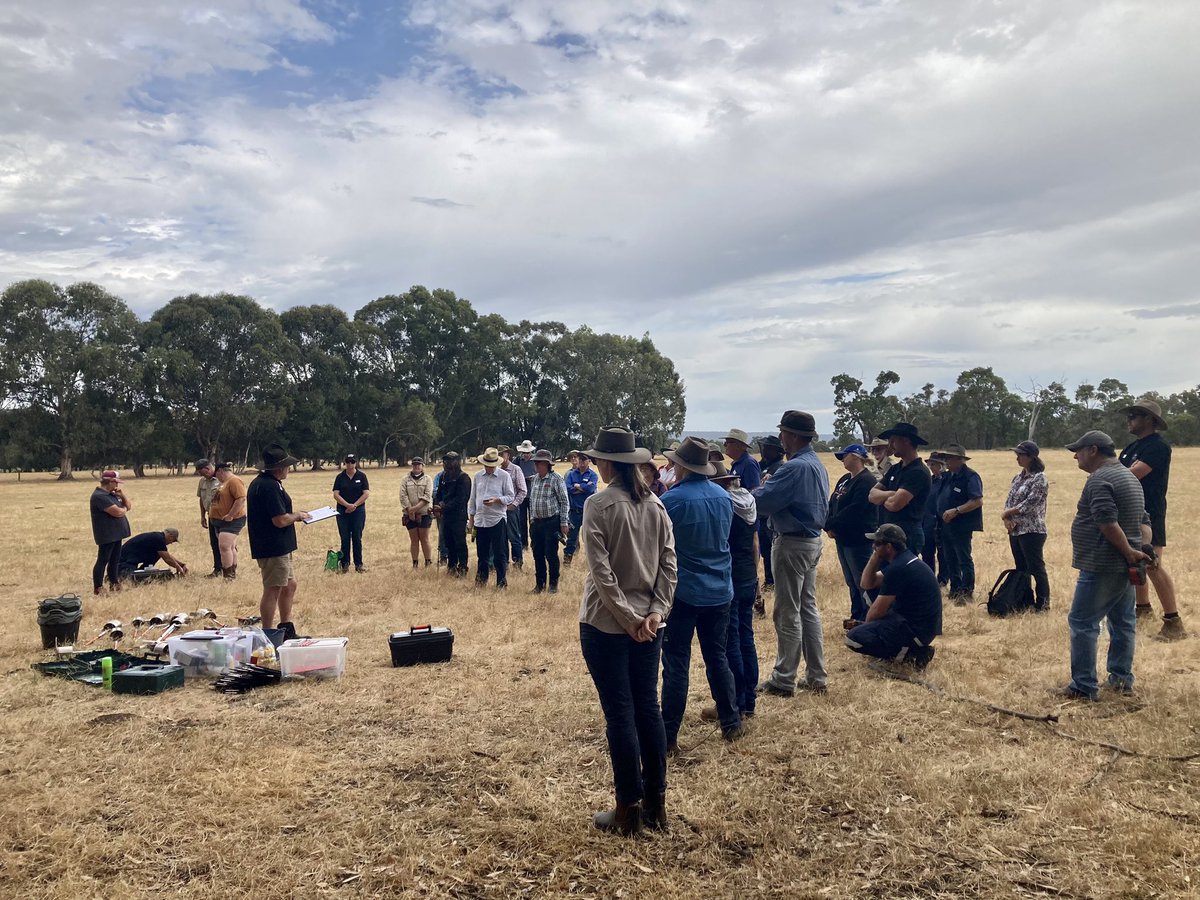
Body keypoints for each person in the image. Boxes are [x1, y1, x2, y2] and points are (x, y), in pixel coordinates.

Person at [578, 426, 677, 836]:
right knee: (648, 710)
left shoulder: (598, 505)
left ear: (607, 464)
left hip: (606, 624)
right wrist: (653, 614)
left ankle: (628, 809)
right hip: (648, 626)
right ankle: (656, 804)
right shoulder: (656, 505)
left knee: (620, 714)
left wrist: (629, 619)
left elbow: (601, 574)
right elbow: (670, 567)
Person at [660, 437, 741, 747]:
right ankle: (731, 721)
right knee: (717, 657)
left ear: (680, 466)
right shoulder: (723, 496)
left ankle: (667, 735)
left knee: (677, 661)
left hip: (684, 591)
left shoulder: (672, 500)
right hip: (721, 588)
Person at [1060, 430, 1151, 700]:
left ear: (1093, 450)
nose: (1075, 455)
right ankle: (1121, 679)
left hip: (1102, 563)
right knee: (1123, 622)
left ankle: (1083, 686)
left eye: (1078, 450)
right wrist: (1140, 549)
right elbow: (1144, 520)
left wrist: (1128, 550)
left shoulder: (1100, 479)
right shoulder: (1129, 477)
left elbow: (1107, 522)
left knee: (1082, 622)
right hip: (1125, 563)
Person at [752, 410, 830, 696]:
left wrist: (758, 489)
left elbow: (763, 502)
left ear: (793, 436)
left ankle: (784, 678)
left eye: (783, 432)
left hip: (792, 542)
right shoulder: (815, 464)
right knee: (808, 608)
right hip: (811, 541)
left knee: (787, 612)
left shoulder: (793, 468)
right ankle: (816, 675)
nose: (781, 437)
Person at [1120, 398, 1187, 641]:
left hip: (1151, 512)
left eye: (1135, 415)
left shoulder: (1157, 447)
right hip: (1129, 512)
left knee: (1152, 564)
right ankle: (1142, 609)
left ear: (1150, 420)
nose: (1129, 420)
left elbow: (1129, 476)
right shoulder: (1130, 448)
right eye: (1129, 416)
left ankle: (1173, 621)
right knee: (1134, 564)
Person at [700, 462, 759, 723]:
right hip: (748, 574)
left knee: (730, 643)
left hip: (731, 577)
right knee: (747, 637)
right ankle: (749, 702)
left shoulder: (725, 506)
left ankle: (735, 700)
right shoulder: (748, 502)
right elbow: (756, 541)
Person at [846, 524, 941, 669]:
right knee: (870, 593)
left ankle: (909, 655)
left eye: (877, 544)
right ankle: (908, 649)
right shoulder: (904, 561)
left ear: (889, 547)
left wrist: (868, 628)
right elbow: (866, 584)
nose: (873, 546)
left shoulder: (899, 569)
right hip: (918, 625)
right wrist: (874, 557)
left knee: (853, 638)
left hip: (917, 632)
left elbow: (877, 612)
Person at [247, 444, 309, 635]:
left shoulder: (269, 483)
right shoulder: (268, 487)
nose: (289, 469)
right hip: (272, 546)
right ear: (279, 468)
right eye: (287, 466)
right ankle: (268, 633)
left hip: (280, 546)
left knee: (289, 584)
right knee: (273, 588)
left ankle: (286, 627)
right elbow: (280, 520)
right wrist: (297, 515)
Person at [825, 443, 878, 624]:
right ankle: (856, 615)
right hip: (842, 538)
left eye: (844, 456)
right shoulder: (845, 479)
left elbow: (855, 510)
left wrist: (832, 524)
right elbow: (832, 503)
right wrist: (828, 525)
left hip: (858, 539)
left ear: (856, 456)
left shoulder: (866, 481)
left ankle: (869, 617)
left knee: (863, 581)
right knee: (851, 581)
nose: (842, 460)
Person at [868, 422, 932, 556]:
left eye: (893, 441)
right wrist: (892, 493)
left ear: (906, 441)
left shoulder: (918, 472)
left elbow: (895, 505)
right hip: (887, 535)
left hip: (907, 536)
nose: (890, 446)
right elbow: (872, 495)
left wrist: (884, 497)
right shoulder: (895, 468)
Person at [1001, 441, 1050, 611]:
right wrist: (1006, 519)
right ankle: (1024, 600)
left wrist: (1008, 514)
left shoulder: (1040, 478)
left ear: (1031, 457)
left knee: (1036, 567)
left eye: (1021, 455)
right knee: (1021, 568)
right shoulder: (1017, 477)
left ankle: (1043, 603)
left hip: (1032, 530)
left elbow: (1031, 503)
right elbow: (1009, 500)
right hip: (1015, 530)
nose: (1017, 458)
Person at [937, 444, 984, 604]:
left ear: (960, 460)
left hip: (962, 525)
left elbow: (977, 501)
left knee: (963, 558)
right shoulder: (948, 476)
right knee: (949, 558)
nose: (946, 461)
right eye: (946, 458)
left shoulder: (971, 476)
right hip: (945, 525)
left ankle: (967, 591)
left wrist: (956, 510)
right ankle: (955, 589)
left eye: (949, 458)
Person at [468, 447, 515, 588]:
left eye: (491, 465)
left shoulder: (504, 476)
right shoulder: (477, 476)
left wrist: (496, 500)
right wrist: (471, 519)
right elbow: (473, 498)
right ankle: (481, 581)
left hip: (497, 519)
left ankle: (501, 582)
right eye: (486, 464)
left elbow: (510, 496)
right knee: (482, 554)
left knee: (499, 553)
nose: (488, 467)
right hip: (480, 520)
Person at [527, 449, 570, 593]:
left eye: (538, 463)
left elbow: (564, 501)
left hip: (552, 522)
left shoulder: (556, 479)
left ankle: (553, 585)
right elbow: (532, 501)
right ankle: (539, 584)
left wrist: (563, 522)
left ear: (546, 464)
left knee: (551, 554)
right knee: (537, 554)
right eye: (535, 463)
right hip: (536, 523)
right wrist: (532, 520)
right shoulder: (535, 479)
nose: (536, 465)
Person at [755, 435, 786, 606]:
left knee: (773, 548)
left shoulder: (779, 467)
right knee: (766, 550)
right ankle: (769, 579)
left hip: (771, 516)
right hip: (761, 515)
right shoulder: (763, 465)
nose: (765, 450)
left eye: (768, 448)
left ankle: (775, 579)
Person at [90, 470, 131, 595]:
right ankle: (98, 587)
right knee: (103, 560)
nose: (117, 486)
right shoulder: (99, 496)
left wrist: (122, 496)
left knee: (115, 560)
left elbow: (128, 506)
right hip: (107, 534)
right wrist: (123, 509)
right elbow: (117, 512)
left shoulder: (111, 494)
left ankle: (114, 583)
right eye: (116, 483)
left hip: (116, 533)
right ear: (110, 482)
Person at [433, 452, 471, 576]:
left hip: (458, 516)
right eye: (445, 461)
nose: (445, 464)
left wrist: (443, 507)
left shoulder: (463, 477)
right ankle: (452, 565)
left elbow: (461, 499)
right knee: (448, 542)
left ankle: (463, 566)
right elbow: (438, 494)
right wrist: (437, 505)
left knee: (459, 542)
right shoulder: (444, 477)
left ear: (456, 462)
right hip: (446, 516)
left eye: (448, 461)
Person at [208, 461, 247, 579]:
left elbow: (240, 499)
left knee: (224, 546)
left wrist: (230, 515)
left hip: (232, 520)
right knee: (230, 547)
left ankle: (228, 576)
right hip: (219, 520)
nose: (216, 477)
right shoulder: (224, 483)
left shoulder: (234, 481)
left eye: (216, 474)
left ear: (221, 471)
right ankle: (232, 571)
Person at [332, 454, 370, 573]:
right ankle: (345, 565)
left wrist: (354, 505)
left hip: (358, 511)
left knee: (357, 538)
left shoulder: (362, 476)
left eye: (352, 462)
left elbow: (366, 493)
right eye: (348, 462)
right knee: (345, 538)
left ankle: (359, 564)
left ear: (356, 463)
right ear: (345, 463)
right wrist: (346, 505)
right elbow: (336, 494)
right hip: (343, 511)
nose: (350, 464)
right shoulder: (340, 477)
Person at [564, 451, 599, 563]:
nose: (582, 462)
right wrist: (583, 488)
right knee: (571, 537)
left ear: (589, 461)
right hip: (574, 511)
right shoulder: (571, 474)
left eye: (584, 460)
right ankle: (568, 558)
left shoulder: (593, 475)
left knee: (591, 536)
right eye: (580, 460)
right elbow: (568, 489)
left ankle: (593, 560)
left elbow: (591, 489)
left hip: (588, 511)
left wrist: (577, 486)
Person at [401, 457, 434, 568]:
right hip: (409, 514)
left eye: (419, 465)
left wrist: (414, 509)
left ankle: (428, 562)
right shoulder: (405, 479)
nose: (416, 467)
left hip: (424, 513)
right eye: (415, 465)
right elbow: (403, 495)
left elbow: (427, 496)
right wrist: (409, 510)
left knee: (424, 538)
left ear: (422, 466)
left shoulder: (428, 479)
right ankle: (415, 563)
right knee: (414, 539)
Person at [922, 455, 949, 586]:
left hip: (942, 521)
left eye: (933, 464)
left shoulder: (947, 480)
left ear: (941, 465)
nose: (931, 468)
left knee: (943, 553)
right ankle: (929, 579)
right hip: (927, 520)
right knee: (927, 551)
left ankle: (943, 580)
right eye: (930, 465)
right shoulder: (930, 480)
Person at [499, 447, 528, 569]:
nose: (500, 457)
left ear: (508, 455)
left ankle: (517, 562)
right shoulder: (497, 471)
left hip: (511, 509)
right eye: (498, 454)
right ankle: (504, 562)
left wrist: (514, 504)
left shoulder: (516, 469)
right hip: (499, 510)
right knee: (501, 537)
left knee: (514, 536)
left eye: (502, 454)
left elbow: (522, 490)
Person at [119, 528, 188, 580]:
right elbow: (167, 559)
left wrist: (181, 565)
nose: (171, 543)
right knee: (128, 578)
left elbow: (167, 556)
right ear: (170, 536)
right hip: (124, 563)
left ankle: (143, 573)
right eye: (173, 540)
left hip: (127, 561)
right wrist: (179, 568)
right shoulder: (159, 539)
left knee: (156, 554)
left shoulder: (157, 538)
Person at [195, 459, 222, 577]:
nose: (202, 476)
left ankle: (229, 568)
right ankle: (218, 568)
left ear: (208, 469)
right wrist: (202, 516)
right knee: (214, 543)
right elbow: (201, 499)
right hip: (210, 516)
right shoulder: (202, 481)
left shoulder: (222, 480)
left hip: (222, 517)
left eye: (202, 473)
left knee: (225, 543)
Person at [516, 440, 538, 550]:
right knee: (521, 521)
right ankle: (524, 545)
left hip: (533, 495)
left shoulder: (536, 460)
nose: (526, 455)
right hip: (521, 496)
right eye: (524, 453)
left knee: (533, 521)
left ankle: (534, 543)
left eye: (528, 452)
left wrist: (533, 477)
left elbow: (541, 474)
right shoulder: (517, 461)